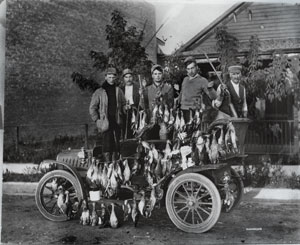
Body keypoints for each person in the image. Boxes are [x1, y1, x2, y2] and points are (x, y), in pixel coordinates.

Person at [89, 67, 126, 161]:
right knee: (106, 146)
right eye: (109, 77)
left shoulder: (119, 91)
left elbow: (123, 105)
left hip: (116, 122)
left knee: (116, 146)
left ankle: (115, 167)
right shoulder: (100, 92)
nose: (111, 79)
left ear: (116, 77)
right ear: (105, 77)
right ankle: (107, 166)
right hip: (105, 123)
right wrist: (97, 120)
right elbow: (92, 108)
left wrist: (125, 108)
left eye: (113, 77)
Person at [178, 56, 217, 123]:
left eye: (192, 68)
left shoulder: (202, 80)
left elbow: (213, 97)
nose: (190, 71)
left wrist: (210, 88)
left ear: (196, 67)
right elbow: (181, 94)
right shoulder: (185, 80)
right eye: (188, 69)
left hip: (194, 112)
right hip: (182, 111)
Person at [142, 64, 174, 139]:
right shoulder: (147, 89)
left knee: (164, 140)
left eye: (159, 73)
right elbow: (143, 105)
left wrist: (162, 98)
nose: (157, 76)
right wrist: (141, 95)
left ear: (162, 75)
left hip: (164, 120)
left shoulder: (168, 88)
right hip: (151, 120)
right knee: (150, 141)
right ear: (152, 75)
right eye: (155, 74)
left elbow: (170, 104)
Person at [120, 68, 140, 139]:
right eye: (126, 77)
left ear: (133, 77)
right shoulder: (120, 89)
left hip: (136, 111)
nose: (128, 79)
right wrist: (124, 107)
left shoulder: (138, 87)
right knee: (126, 130)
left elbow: (142, 101)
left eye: (130, 77)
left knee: (137, 130)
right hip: (125, 113)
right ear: (123, 78)